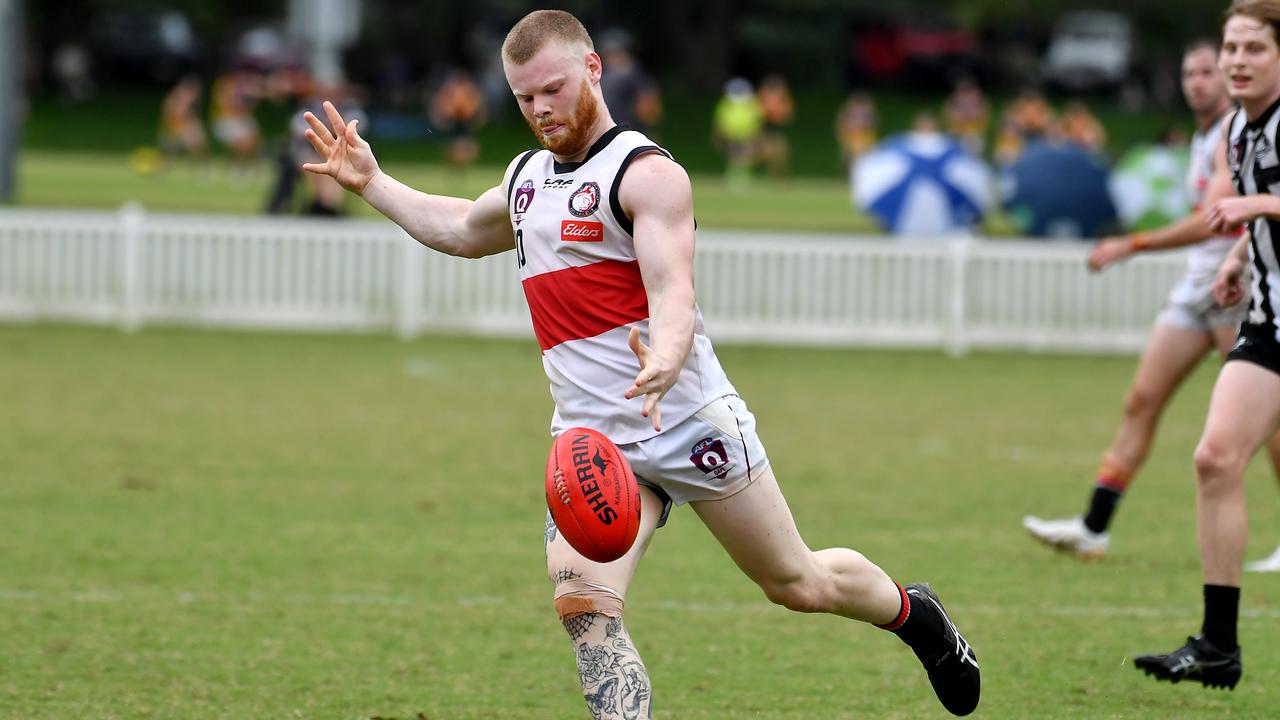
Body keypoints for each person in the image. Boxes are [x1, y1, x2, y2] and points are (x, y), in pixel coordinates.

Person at [300, 10, 980, 718]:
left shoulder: (646, 174)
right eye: (524, 97)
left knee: (798, 584)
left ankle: (917, 617)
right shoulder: (527, 178)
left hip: (686, 419)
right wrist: (373, 183)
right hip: (593, 446)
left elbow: (674, 292)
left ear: (593, 69)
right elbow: (463, 230)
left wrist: (666, 352)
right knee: (586, 611)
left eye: (552, 90)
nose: (539, 110)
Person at [1023, 39, 1280, 563]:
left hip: (1237, 291)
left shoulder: (1239, 132)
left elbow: (1215, 217)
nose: (1201, 81)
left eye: (1208, 70)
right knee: (1143, 399)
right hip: (1197, 287)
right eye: (1191, 72)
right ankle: (1094, 526)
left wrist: (1132, 243)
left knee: (1269, 424)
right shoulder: (1203, 136)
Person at [1132, 2, 1280, 689]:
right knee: (1216, 459)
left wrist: (1259, 209)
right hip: (1271, 316)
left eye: (1254, 47)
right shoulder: (1240, 133)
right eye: (1231, 48)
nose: (1238, 61)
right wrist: (1240, 257)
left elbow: (1261, 203)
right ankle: (1219, 646)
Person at [429, 69, 487, 173]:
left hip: (465, 119)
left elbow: (478, 105)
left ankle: (459, 163)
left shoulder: (468, 90)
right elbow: (440, 103)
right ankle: (455, 163)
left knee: (466, 144)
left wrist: (477, 117)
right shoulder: (451, 90)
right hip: (453, 119)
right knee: (454, 143)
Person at [712, 77, 764, 190]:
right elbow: (720, 120)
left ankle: (743, 179)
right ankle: (733, 179)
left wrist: (755, 134)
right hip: (731, 134)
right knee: (734, 158)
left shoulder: (752, 104)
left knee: (745, 158)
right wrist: (720, 134)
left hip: (747, 135)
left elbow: (757, 119)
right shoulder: (726, 103)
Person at [158, 75, 209, 165]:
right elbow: (173, 113)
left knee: (197, 146)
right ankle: (201, 164)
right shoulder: (181, 96)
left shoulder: (181, 96)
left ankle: (201, 164)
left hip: (183, 124)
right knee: (171, 149)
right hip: (177, 125)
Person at [756, 74, 795, 177]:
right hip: (765, 128)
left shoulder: (783, 97)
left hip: (776, 128)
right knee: (769, 152)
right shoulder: (763, 95)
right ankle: (774, 175)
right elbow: (758, 112)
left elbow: (788, 115)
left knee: (781, 153)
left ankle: (780, 176)